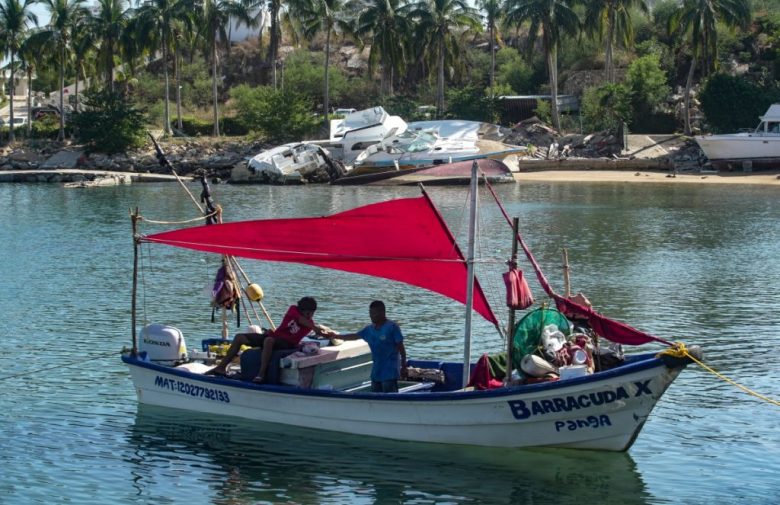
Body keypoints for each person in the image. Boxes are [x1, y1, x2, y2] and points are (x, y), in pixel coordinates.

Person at [206, 296, 334, 383]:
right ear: (301, 310)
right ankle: (221, 367)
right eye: (307, 313)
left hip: (287, 343)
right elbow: (301, 319)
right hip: (275, 336)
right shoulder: (293, 310)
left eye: (311, 313)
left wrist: (326, 333)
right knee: (240, 337)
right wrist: (316, 328)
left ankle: (261, 373)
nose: (309, 316)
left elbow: (308, 323)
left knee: (269, 341)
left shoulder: (309, 323)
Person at [338, 300, 407, 393]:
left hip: (389, 373)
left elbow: (401, 348)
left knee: (389, 398)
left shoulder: (392, 327)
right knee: (375, 397)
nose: (372, 316)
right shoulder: (369, 329)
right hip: (376, 372)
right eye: (370, 313)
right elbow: (354, 336)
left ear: (383, 312)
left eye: (375, 313)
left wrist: (403, 366)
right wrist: (334, 336)